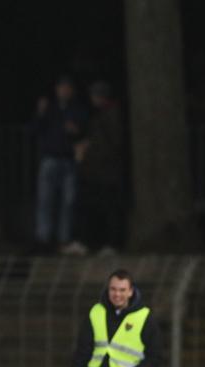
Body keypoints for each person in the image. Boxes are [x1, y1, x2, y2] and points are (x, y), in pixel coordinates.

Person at [32, 76, 88, 252]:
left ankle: (64, 240)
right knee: (45, 201)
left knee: (68, 202)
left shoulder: (77, 109)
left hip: (69, 160)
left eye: (67, 87)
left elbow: (84, 132)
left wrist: (76, 132)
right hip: (49, 159)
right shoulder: (49, 108)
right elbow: (34, 130)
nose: (64, 91)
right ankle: (43, 238)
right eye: (61, 87)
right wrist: (40, 113)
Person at [74, 82, 126, 254]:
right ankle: (88, 242)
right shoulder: (102, 114)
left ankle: (111, 244)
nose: (93, 99)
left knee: (109, 208)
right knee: (92, 207)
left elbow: (112, 144)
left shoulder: (111, 114)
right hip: (97, 171)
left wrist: (87, 153)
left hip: (106, 172)